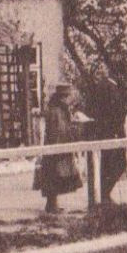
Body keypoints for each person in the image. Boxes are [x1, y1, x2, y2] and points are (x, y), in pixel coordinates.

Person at [34, 84, 83, 214]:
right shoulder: (56, 111)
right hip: (56, 146)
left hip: (57, 145)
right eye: (68, 97)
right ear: (62, 98)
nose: (69, 100)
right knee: (54, 176)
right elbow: (58, 130)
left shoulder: (60, 109)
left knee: (55, 176)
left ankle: (52, 204)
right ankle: (51, 205)